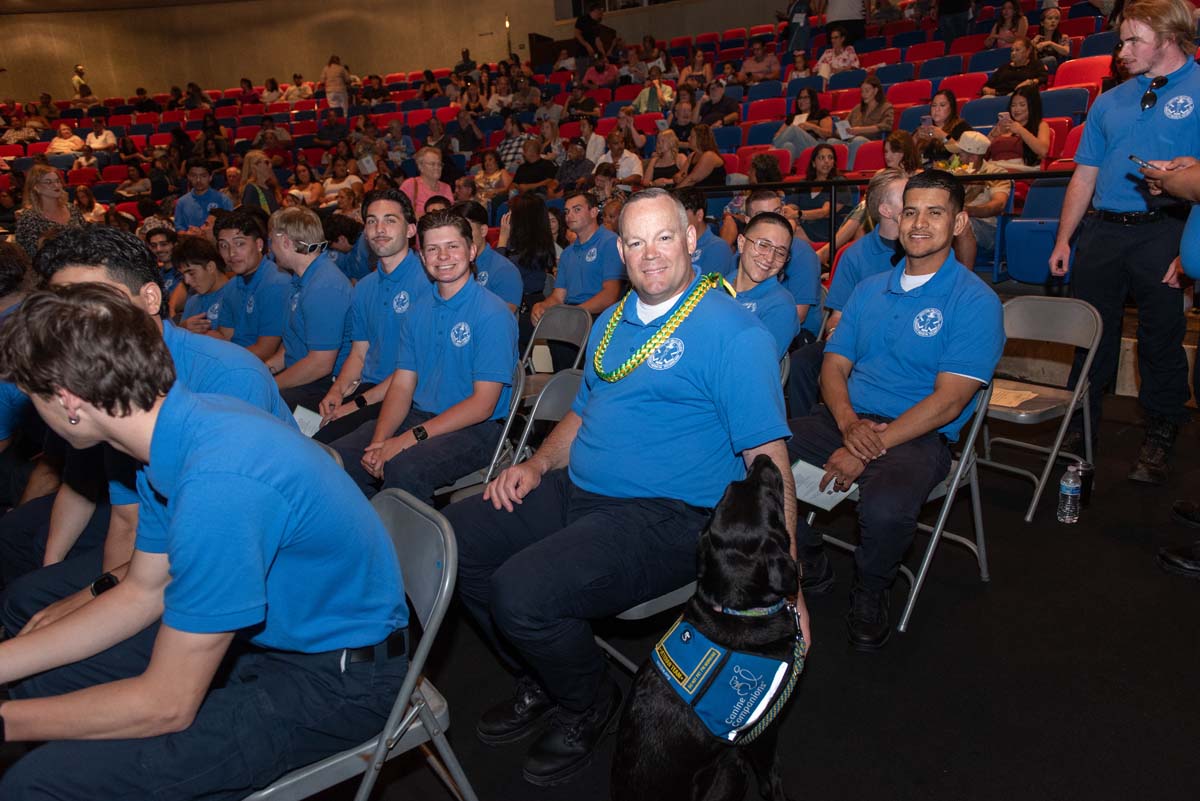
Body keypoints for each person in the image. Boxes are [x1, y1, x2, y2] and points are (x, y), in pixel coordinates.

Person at [441, 188, 804, 787]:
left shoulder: (733, 334)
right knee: (456, 541)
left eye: (664, 237)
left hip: (664, 516)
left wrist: (791, 592)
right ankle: (546, 673)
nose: (650, 253)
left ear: (692, 239)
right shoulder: (613, 323)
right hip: (579, 488)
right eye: (635, 242)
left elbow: (770, 462)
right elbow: (582, 413)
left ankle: (587, 701)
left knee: (520, 592)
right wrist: (537, 462)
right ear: (621, 251)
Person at [0, 283, 409, 801]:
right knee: (38, 686)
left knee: (36, 783)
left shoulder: (217, 482)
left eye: (34, 399)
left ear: (70, 401)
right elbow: (142, 590)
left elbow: (167, 704)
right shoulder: (176, 429)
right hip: (281, 642)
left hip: (336, 682)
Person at [790, 170, 1003, 650]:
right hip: (847, 420)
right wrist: (849, 426)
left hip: (920, 435)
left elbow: (949, 400)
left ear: (959, 221)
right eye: (911, 211)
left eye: (935, 212)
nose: (919, 223)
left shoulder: (974, 301)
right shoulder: (870, 290)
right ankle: (810, 558)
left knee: (886, 508)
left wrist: (868, 448)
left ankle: (871, 590)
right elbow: (832, 367)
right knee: (757, 454)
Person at [1049, 0, 1200, 484]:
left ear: (1169, 37)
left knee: (1161, 340)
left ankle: (1161, 432)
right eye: (1121, 40)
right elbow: (1084, 174)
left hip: (1168, 229)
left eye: (1134, 40)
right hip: (1103, 232)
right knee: (1090, 337)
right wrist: (1064, 239)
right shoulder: (1109, 100)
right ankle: (1079, 425)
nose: (1122, 50)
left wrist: (1189, 251)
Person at [333, 210, 518, 503]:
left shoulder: (492, 314)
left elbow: (482, 406)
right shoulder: (418, 310)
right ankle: (367, 534)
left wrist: (406, 440)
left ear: (471, 251)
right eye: (432, 248)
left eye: (452, 246)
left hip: (474, 429)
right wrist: (381, 439)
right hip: (421, 415)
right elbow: (403, 385)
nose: (442, 256)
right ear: (423, 257)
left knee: (403, 467)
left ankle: (413, 546)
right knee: (345, 455)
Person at [787, 168, 908, 416]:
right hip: (858, 341)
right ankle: (806, 428)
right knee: (801, 363)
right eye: (907, 198)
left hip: (903, 342)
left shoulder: (924, 248)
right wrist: (835, 335)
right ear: (886, 210)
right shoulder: (855, 254)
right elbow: (837, 317)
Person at [313, 190, 429, 442]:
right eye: (371, 221)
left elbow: (417, 367)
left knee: (327, 446)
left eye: (390, 220)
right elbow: (359, 352)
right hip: (369, 388)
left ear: (410, 230)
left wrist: (355, 405)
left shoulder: (428, 281)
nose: (379, 228)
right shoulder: (364, 288)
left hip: (409, 394)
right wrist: (337, 391)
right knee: (301, 431)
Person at [265, 207, 353, 409]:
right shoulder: (301, 280)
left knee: (256, 407)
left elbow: (321, 364)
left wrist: (270, 385)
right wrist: (263, 371)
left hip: (323, 386)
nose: (269, 250)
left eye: (272, 242)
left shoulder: (324, 286)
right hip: (306, 377)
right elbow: (291, 346)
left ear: (286, 242)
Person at [531, 190, 624, 327]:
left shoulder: (610, 242)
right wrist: (542, 306)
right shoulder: (567, 253)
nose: (569, 215)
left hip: (599, 316)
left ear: (593, 212)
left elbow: (610, 295)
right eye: (567, 211)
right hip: (573, 313)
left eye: (577, 209)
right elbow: (558, 296)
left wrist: (575, 312)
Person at [213, 210, 291, 361]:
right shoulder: (231, 286)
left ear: (259, 244)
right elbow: (226, 337)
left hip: (261, 367)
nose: (231, 253)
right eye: (223, 246)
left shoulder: (277, 283)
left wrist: (220, 360)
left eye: (240, 244)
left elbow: (265, 350)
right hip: (236, 359)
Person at [728, 212, 801, 358]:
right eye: (763, 245)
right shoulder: (717, 285)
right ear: (741, 243)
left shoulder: (780, 305)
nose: (769, 258)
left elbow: (755, 364)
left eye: (780, 253)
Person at [946, 131, 1013, 267]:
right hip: (954, 220)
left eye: (960, 154)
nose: (955, 157)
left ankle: (964, 280)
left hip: (988, 228)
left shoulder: (996, 173)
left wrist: (968, 211)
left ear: (973, 158)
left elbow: (998, 204)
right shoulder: (953, 173)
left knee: (962, 222)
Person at [455, 200, 522, 313]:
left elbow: (502, 320)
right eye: (455, 231)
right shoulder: (449, 267)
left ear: (483, 230)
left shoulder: (504, 270)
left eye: (467, 230)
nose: (460, 237)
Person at [14, 164, 85, 258]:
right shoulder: (28, 218)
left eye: (57, 181)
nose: (56, 185)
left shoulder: (72, 209)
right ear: (36, 187)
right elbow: (26, 254)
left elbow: (86, 236)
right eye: (48, 182)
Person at [985, 84, 1051, 169]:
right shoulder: (1003, 126)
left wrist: (1021, 130)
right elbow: (979, 154)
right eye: (1013, 105)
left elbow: (1043, 151)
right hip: (994, 169)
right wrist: (993, 135)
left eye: (1022, 105)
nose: (1016, 109)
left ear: (1032, 106)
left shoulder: (1041, 125)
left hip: (1019, 171)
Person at [177, 234, 231, 335]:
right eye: (183, 275)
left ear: (210, 267)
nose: (187, 281)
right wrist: (182, 329)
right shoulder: (192, 302)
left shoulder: (237, 296)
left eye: (191, 273)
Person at [676, 187, 736, 277]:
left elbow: (705, 289)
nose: (675, 222)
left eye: (681, 217)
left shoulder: (717, 248)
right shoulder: (673, 244)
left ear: (699, 215)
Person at [834, 75, 894, 163]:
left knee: (858, 140)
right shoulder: (857, 108)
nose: (863, 94)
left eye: (867, 91)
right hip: (851, 140)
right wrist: (840, 131)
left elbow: (886, 126)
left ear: (876, 90)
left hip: (873, 142)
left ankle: (849, 172)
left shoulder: (886, 107)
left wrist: (859, 130)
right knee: (832, 141)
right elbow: (844, 124)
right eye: (862, 91)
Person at [773, 87, 834, 162]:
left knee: (794, 129)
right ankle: (785, 172)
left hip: (815, 146)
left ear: (812, 99)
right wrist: (789, 128)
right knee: (788, 145)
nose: (801, 101)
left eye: (805, 97)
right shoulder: (792, 117)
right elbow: (777, 135)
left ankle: (772, 150)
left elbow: (828, 134)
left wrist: (812, 127)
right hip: (799, 148)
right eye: (799, 98)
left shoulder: (821, 113)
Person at [173, 159, 233, 234]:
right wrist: (188, 234)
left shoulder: (223, 200)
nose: (198, 180)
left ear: (210, 177)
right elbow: (179, 229)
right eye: (194, 176)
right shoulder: (182, 202)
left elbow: (230, 228)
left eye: (203, 176)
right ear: (188, 177)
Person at [795, 143, 840, 242]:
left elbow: (825, 212)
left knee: (792, 231)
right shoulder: (804, 183)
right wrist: (787, 210)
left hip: (826, 229)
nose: (827, 161)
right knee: (787, 224)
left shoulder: (839, 182)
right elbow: (792, 205)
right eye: (821, 158)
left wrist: (797, 214)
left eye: (830, 158)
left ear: (834, 163)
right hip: (804, 225)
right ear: (813, 163)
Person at [915, 89, 971, 167]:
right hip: (924, 172)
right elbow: (906, 152)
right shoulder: (924, 127)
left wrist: (944, 137)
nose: (936, 109)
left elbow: (963, 152)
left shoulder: (961, 127)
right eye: (934, 105)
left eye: (942, 105)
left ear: (951, 108)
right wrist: (916, 138)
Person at [400, 147, 454, 219]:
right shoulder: (410, 184)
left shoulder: (446, 187)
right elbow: (399, 212)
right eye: (432, 164)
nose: (437, 167)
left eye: (439, 164)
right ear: (420, 166)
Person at [981, 39, 1048, 96]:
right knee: (985, 99)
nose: (1013, 53)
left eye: (1017, 50)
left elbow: (1043, 78)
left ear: (1028, 51)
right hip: (998, 96)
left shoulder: (1036, 64)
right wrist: (986, 89)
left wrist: (1031, 82)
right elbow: (987, 85)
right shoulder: (1004, 67)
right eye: (1012, 50)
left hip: (1019, 97)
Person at [574, 2, 610, 82]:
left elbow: (598, 41)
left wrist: (604, 56)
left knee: (594, 78)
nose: (601, 14)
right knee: (583, 78)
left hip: (593, 56)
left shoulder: (596, 24)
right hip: (582, 55)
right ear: (595, 11)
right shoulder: (582, 19)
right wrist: (586, 45)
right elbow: (577, 34)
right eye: (600, 12)